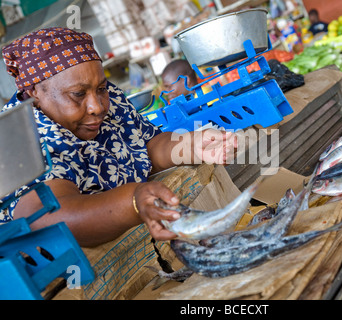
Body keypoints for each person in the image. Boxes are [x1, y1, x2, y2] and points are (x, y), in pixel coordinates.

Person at [0, 27, 237, 247]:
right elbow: (54, 217)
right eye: (78, 94)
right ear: (34, 93)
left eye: (100, 89)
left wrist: (191, 145)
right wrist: (132, 202)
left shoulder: (108, 98)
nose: (97, 107)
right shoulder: (22, 141)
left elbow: (146, 147)